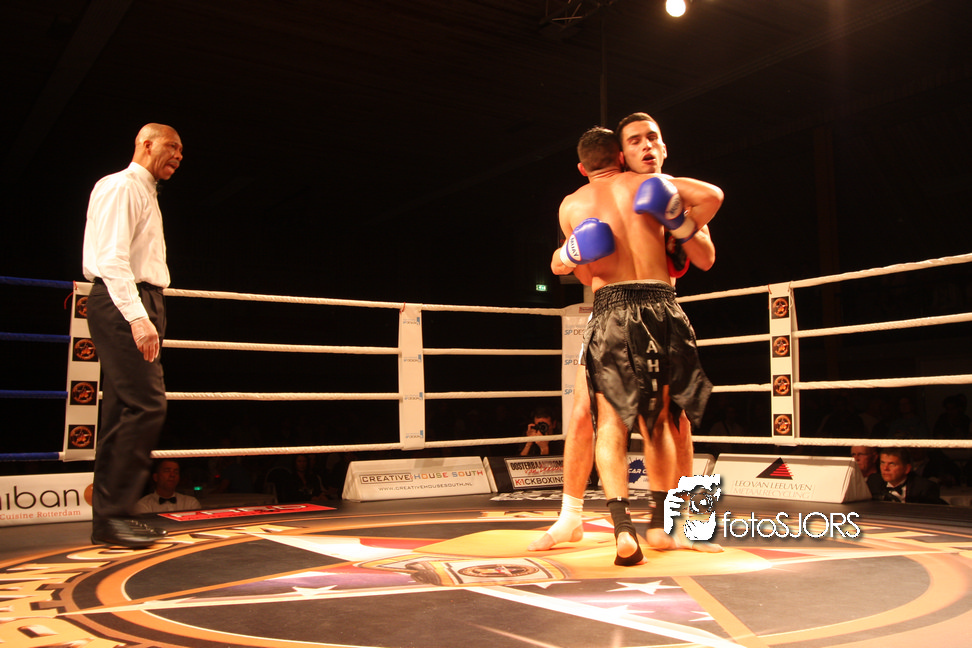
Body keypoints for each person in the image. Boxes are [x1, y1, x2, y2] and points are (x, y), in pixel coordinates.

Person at [529, 113, 719, 555]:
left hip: (658, 306)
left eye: (653, 138)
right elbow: (577, 268)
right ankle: (570, 517)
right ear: (621, 154)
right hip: (613, 310)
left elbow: (706, 257)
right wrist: (569, 254)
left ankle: (683, 522)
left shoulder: (668, 192)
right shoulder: (597, 198)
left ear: (664, 146)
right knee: (585, 415)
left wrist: (677, 221)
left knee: (675, 422)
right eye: (635, 141)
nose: (646, 146)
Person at [82, 123, 183, 548]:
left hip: (141, 300)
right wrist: (138, 318)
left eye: (181, 151)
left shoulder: (146, 192)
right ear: (145, 143)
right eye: (172, 147)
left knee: (124, 409)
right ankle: (115, 513)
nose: (178, 156)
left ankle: (110, 519)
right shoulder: (123, 186)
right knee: (146, 404)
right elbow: (112, 258)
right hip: (124, 300)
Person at [866, 447, 947, 504]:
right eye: (882, 463)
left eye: (892, 464)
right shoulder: (873, 481)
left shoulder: (924, 488)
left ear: (907, 469)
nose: (885, 468)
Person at [134, 459, 202, 514]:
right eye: (167, 471)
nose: (172, 475)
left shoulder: (191, 503)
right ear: (156, 477)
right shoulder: (143, 505)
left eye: (176, 472)